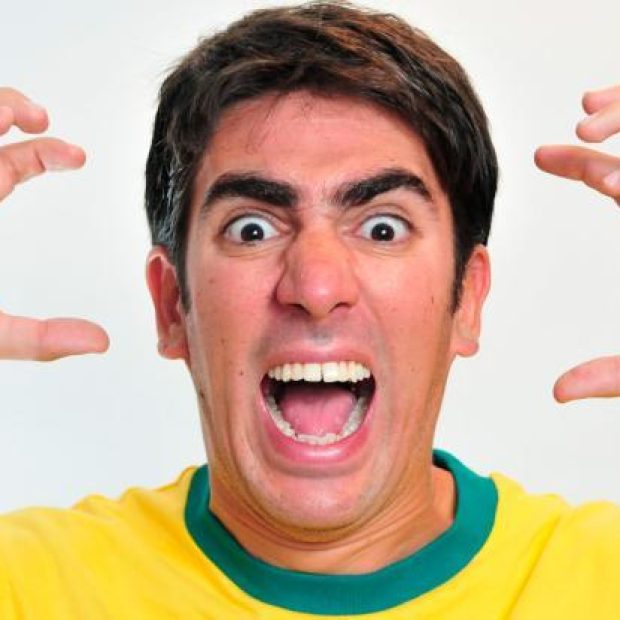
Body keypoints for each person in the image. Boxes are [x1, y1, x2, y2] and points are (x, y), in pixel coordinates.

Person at [1, 2, 620, 617]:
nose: (317, 287)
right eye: (251, 229)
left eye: (382, 228)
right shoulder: (28, 584)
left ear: (466, 298)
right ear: (171, 306)